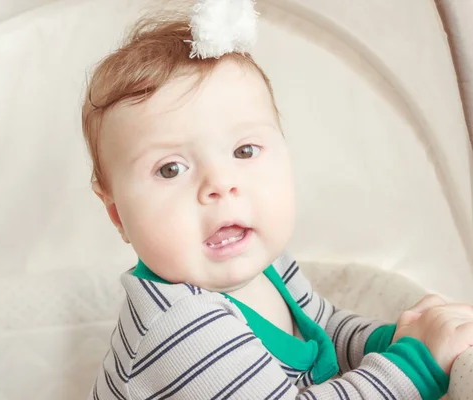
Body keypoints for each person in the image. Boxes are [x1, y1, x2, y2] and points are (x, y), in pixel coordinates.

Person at [82, 12, 473, 400]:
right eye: (170, 169)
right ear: (117, 214)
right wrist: (415, 364)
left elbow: (325, 331)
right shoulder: (178, 326)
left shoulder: (268, 264)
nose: (220, 185)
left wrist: (393, 339)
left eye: (244, 150)